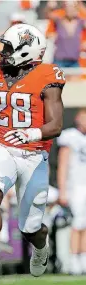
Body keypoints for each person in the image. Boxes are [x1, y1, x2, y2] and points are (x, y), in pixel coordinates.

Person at [0, 23, 66, 285]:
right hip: (3, 147)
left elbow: (55, 125)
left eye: (8, 48)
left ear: (26, 50)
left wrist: (31, 134)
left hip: (34, 154)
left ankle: (41, 246)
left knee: (30, 229)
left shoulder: (47, 75)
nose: (3, 53)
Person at [57, 109, 86, 275]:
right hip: (75, 186)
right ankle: (74, 259)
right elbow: (63, 164)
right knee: (77, 223)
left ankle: (83, 258)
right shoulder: (70, 137)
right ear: (77, 119)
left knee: (85, 224)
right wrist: (63, 190)